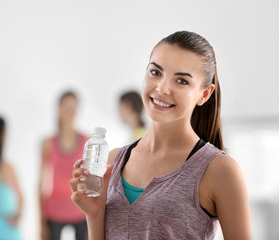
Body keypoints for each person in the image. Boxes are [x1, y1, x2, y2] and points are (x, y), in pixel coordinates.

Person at [70, 31, 252, 239]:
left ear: (204, 94)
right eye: (156, 72)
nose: (162, 88)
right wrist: (94, 214)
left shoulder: (220, 171)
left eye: (182, 81)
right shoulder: (113, 162)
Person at [39, 91, 88, 240]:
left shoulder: (87, 141)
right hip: (53, 211)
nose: (70, 112)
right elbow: (40, 184)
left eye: (74, 107)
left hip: (80, 211)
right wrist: (40, 222)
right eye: (67, 107)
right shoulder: (47, 143)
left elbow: (93, 181)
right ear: (59, 109)